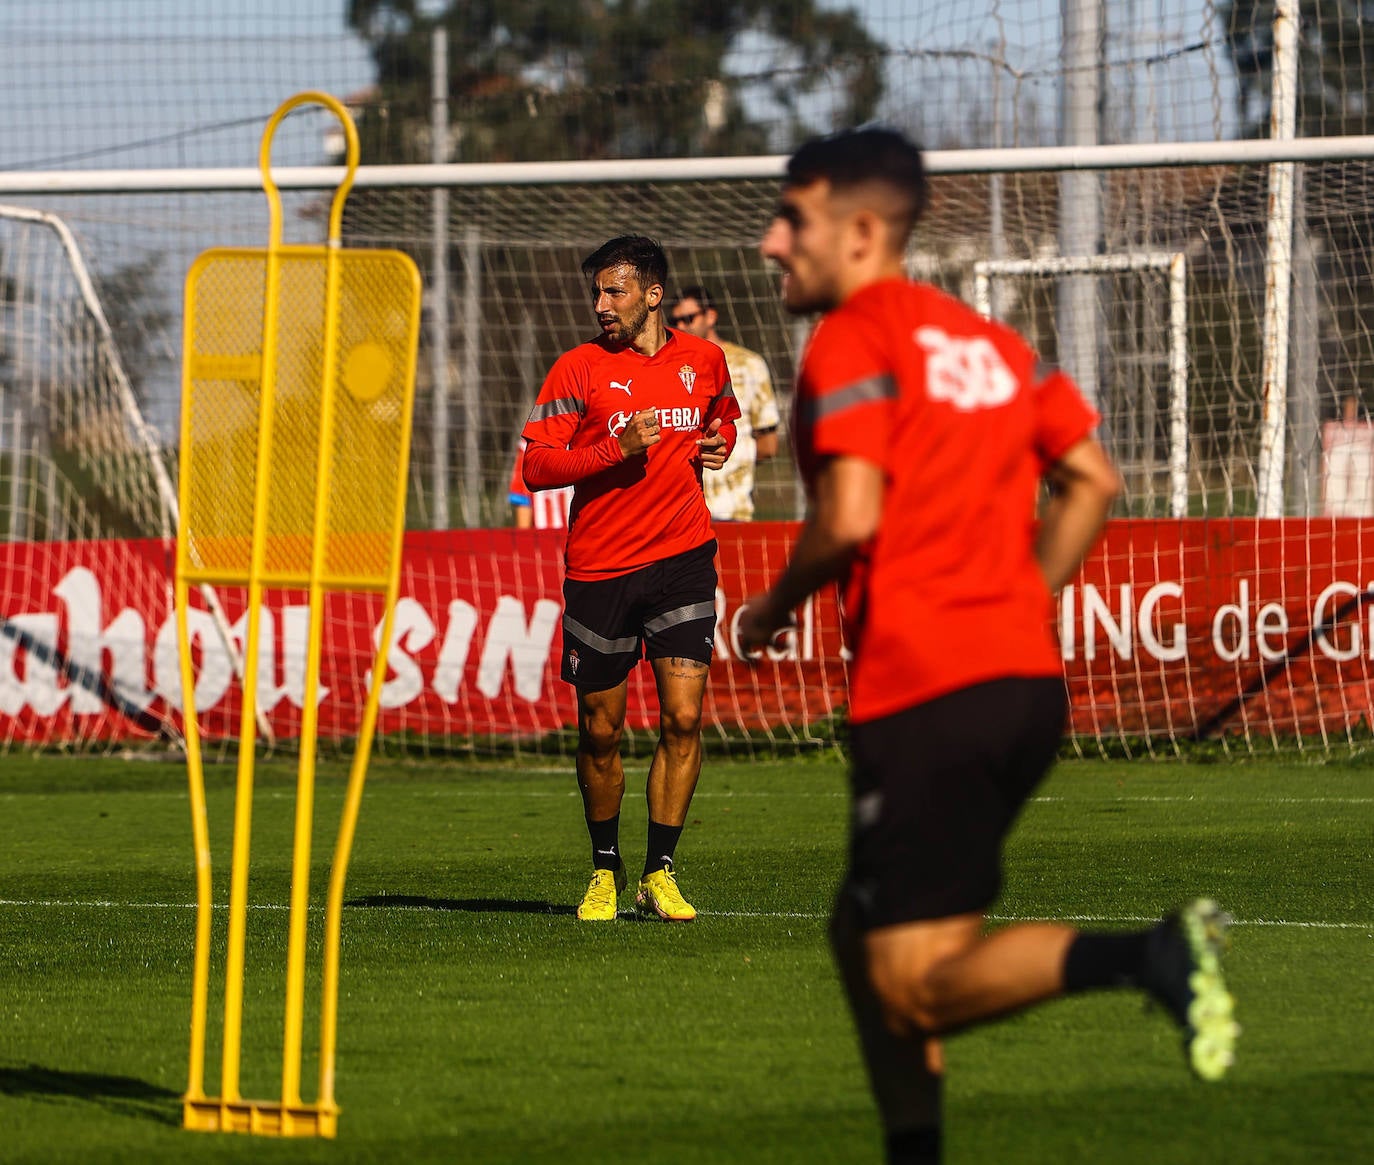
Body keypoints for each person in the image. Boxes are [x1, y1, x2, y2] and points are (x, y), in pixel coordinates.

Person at [737, 127, 1238, 1164]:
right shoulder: (990, 344)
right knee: (858, 931)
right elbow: (1095, 478)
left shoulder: (852, 337)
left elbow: (850, 516)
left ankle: (1149, 957)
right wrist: (1018, 596)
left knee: (913, 978)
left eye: (792, 218)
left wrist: (772, 605)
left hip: (927, 689)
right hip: (1020, 685)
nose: (769, 242)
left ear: (862, 231)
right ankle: (914, 1146)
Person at [521, 234, 741, 923]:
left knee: (683, 718)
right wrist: (616, 448)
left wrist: (719, 444)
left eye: (613, 291)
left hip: (683, 559)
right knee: (601, 731)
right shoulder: (578, 368)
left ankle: (660, 871)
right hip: (601, 568)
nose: (600, 305)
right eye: (596, 293)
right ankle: (605, 869)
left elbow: (724, 420)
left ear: (653, 294)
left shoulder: (703, 360)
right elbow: (537, 467)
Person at [668, 286, 780, 520]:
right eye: (674, 320)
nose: (680, 326)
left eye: (689, 318)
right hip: (681, 511)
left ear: (711, 316)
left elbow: (768, 444)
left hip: (731, 507)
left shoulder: (749, 364)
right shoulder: (668, 366)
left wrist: (732, 459)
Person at [508, 436, 574, 529]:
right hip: (543, 536)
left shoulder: (585, 439)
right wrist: (523, 541)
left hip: (577, 535)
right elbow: (522, 499)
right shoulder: (528, 445)